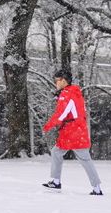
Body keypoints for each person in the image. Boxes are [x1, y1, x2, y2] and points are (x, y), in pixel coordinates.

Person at [41, 68, 103, 196]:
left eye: (57, 80)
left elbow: (61, 114)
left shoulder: (67, 94)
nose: (56, 83)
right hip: (75, 130)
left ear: (63, 81)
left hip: (73, 132)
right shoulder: (74, 92)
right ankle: (56, 181)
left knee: (84, 159)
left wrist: (48, 125)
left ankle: (96, 188)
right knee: (57, 152)